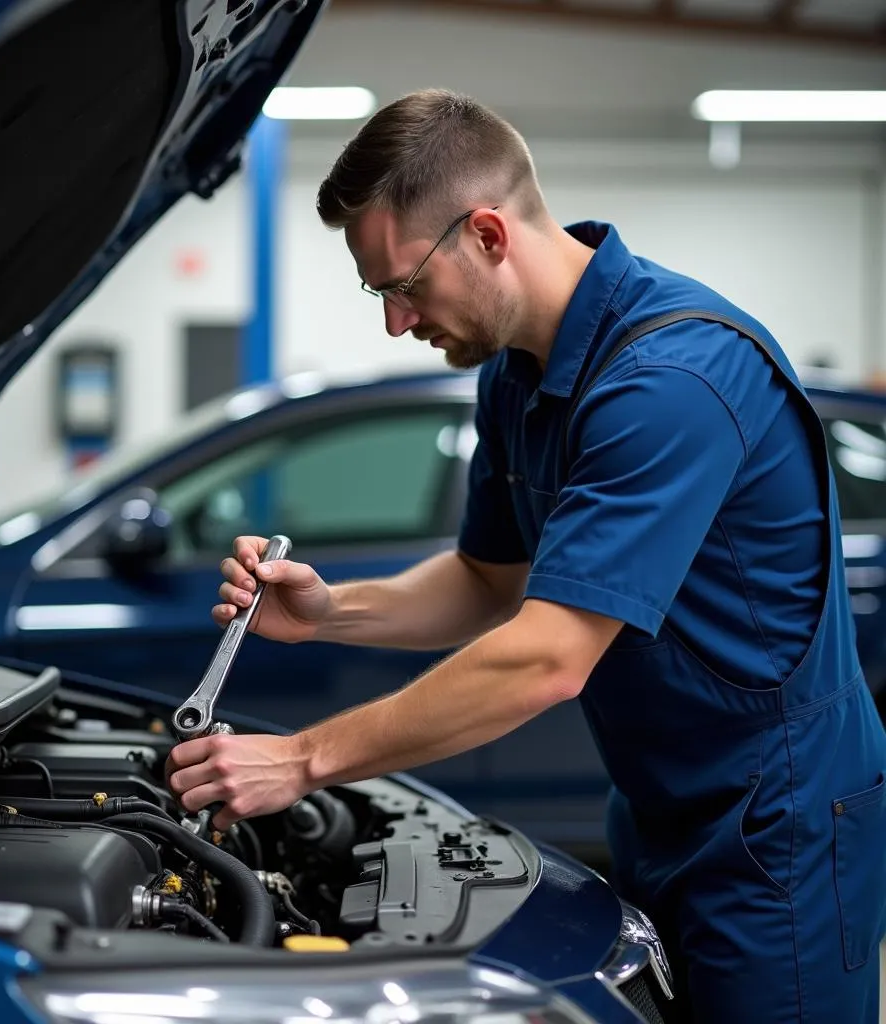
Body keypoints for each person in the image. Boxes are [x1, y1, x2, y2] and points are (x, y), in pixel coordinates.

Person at [167, 89, 886, 1021]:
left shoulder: (671, 381)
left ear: (489, 235)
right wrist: (333, 611)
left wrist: (301, 760)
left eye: (404, 286)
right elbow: (489, 580)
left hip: (777, 827)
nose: (395, 322)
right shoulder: (518, 375)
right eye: (376, 293)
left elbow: (547, 658)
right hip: (659, 808)